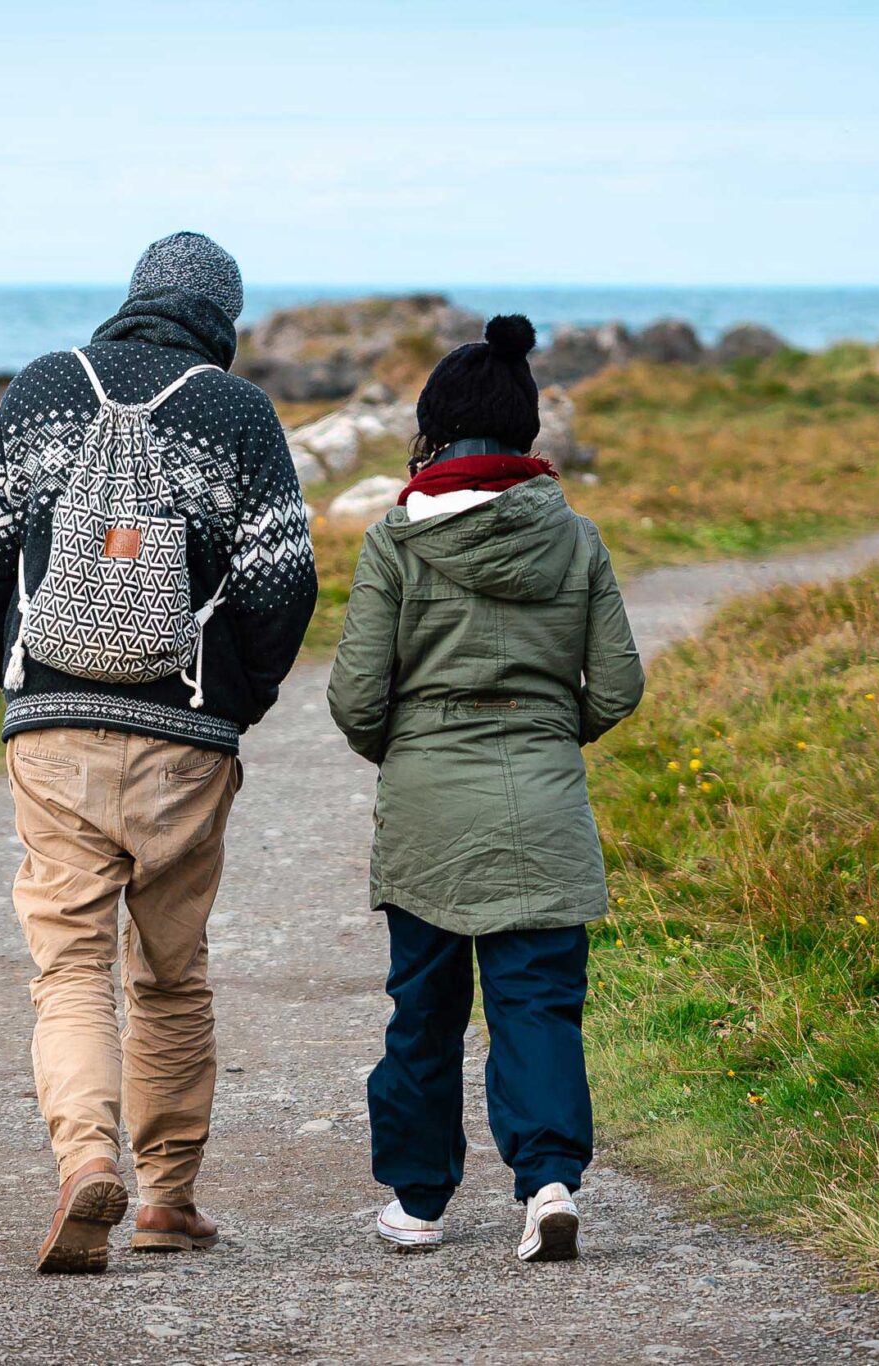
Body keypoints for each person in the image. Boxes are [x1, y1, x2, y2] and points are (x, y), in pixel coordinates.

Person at [0, 232, 317, 1274]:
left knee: (68, 964)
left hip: (52, 724)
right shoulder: (237, 411)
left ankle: (83, 1163)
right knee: (168, 970)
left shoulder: (39, 389)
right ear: (222, 318)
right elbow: (277, 584)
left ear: (132, 297)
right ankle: (164, 1195)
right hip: (187, 733)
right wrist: (235, 703)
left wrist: (20, 682)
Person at [327, 314, 645, 1262]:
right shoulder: (578, 540)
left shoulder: (393, 540)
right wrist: (552, 732)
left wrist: (409, 744)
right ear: (528, 431)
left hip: (427, 806)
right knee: (537, 1003)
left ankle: (419, 1204)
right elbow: (619, 686)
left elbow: (354, 697)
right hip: (544, 803)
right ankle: (548, 1183)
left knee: (423, 1007)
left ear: (430, 430)